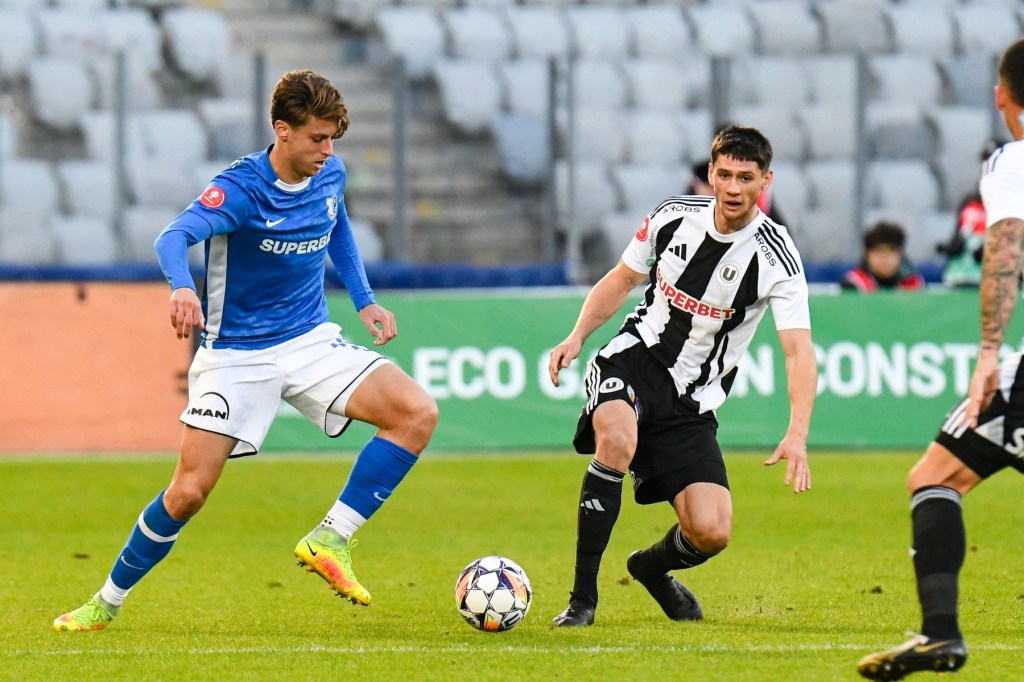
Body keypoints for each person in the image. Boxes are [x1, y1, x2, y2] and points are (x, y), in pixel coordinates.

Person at [53, 70, 439, 631]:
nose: (328, 152)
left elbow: (337, 226)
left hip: (310, 340)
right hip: (236, 355)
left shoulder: (329, 174)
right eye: (317, 138)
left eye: (333, 139)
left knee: (416, 413)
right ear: (282, 130)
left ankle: (331, 537)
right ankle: (104, 602)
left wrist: (364, 300)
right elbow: (171, 237)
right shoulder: (240, 189)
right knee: (188, 493)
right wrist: (182, 287)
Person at [548, 125, 817, 627]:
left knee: (711, 532)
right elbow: (622, 278)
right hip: (633, 360)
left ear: (766, 181)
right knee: (617, 437)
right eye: (724, 175)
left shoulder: (776, 256)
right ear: (710, 174)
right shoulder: (673, 216)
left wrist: (797, 433)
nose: (733, 187)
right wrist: (577, 336)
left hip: (691, 403)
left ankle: (650, 569)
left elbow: (798, 352)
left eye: (745, 177)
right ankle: (583, 599)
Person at [856, 39, 1024, 681]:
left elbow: (1004, 249)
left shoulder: (1011, 161)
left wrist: (988, 354)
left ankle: (941, 633)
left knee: (935, 476)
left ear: (1001, 97)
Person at [938, 139, 1002, 288]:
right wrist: (954, 245)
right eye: (985, 161)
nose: (989, 167)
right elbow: (959, 234)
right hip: (963, 279)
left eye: (995, 161)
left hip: (1001, 283)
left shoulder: (1015, 202)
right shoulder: (969, 201)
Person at [841, 221, 925, 293]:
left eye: (891, 251)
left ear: (901, 255)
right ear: (867, 255)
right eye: (878, 251)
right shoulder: (854, 283)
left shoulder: (913, 285)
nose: (885, 258)